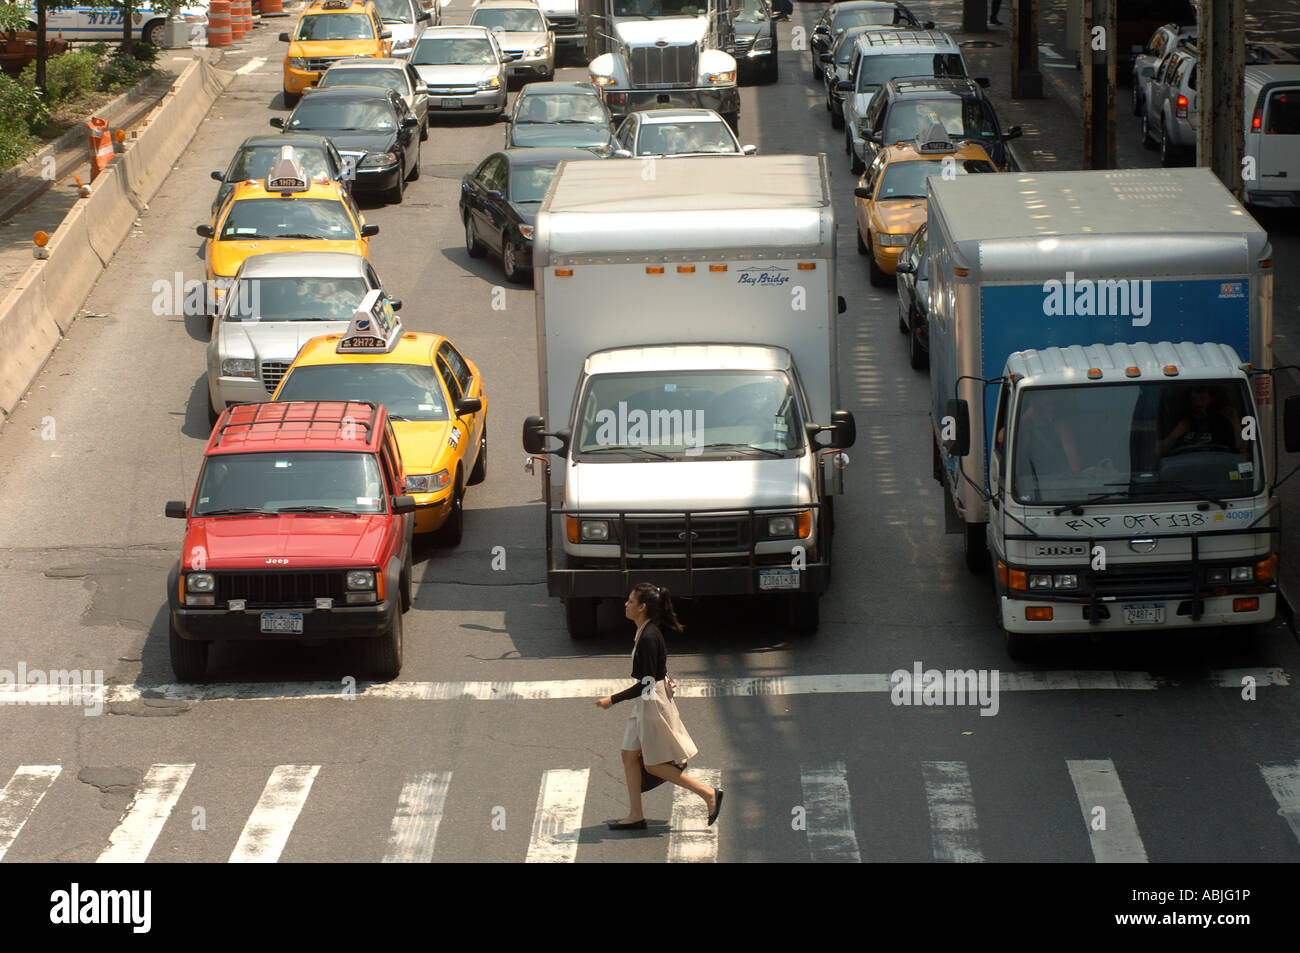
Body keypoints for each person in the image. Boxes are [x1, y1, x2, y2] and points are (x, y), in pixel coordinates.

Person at [596, 584, 723, 830]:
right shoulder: (645, 632)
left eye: (630, 601)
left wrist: (611, 700)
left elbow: (644, 685)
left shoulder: (648, 637)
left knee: (653, 764)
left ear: (642, 607)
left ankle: (708, 794)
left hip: (651, 705)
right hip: (647, 701)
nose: (626, 604)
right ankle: (635, 815)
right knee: (629, 755)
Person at [1159, 385, 1248, 456]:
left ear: (1211, 400)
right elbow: (1159, 452)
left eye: (1203, 399)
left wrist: (1234, 421)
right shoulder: (1178, 421)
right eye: (1194, 399)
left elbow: (1243, 448)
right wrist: (1174, 435)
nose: (1198, 403)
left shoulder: (1222, 423)